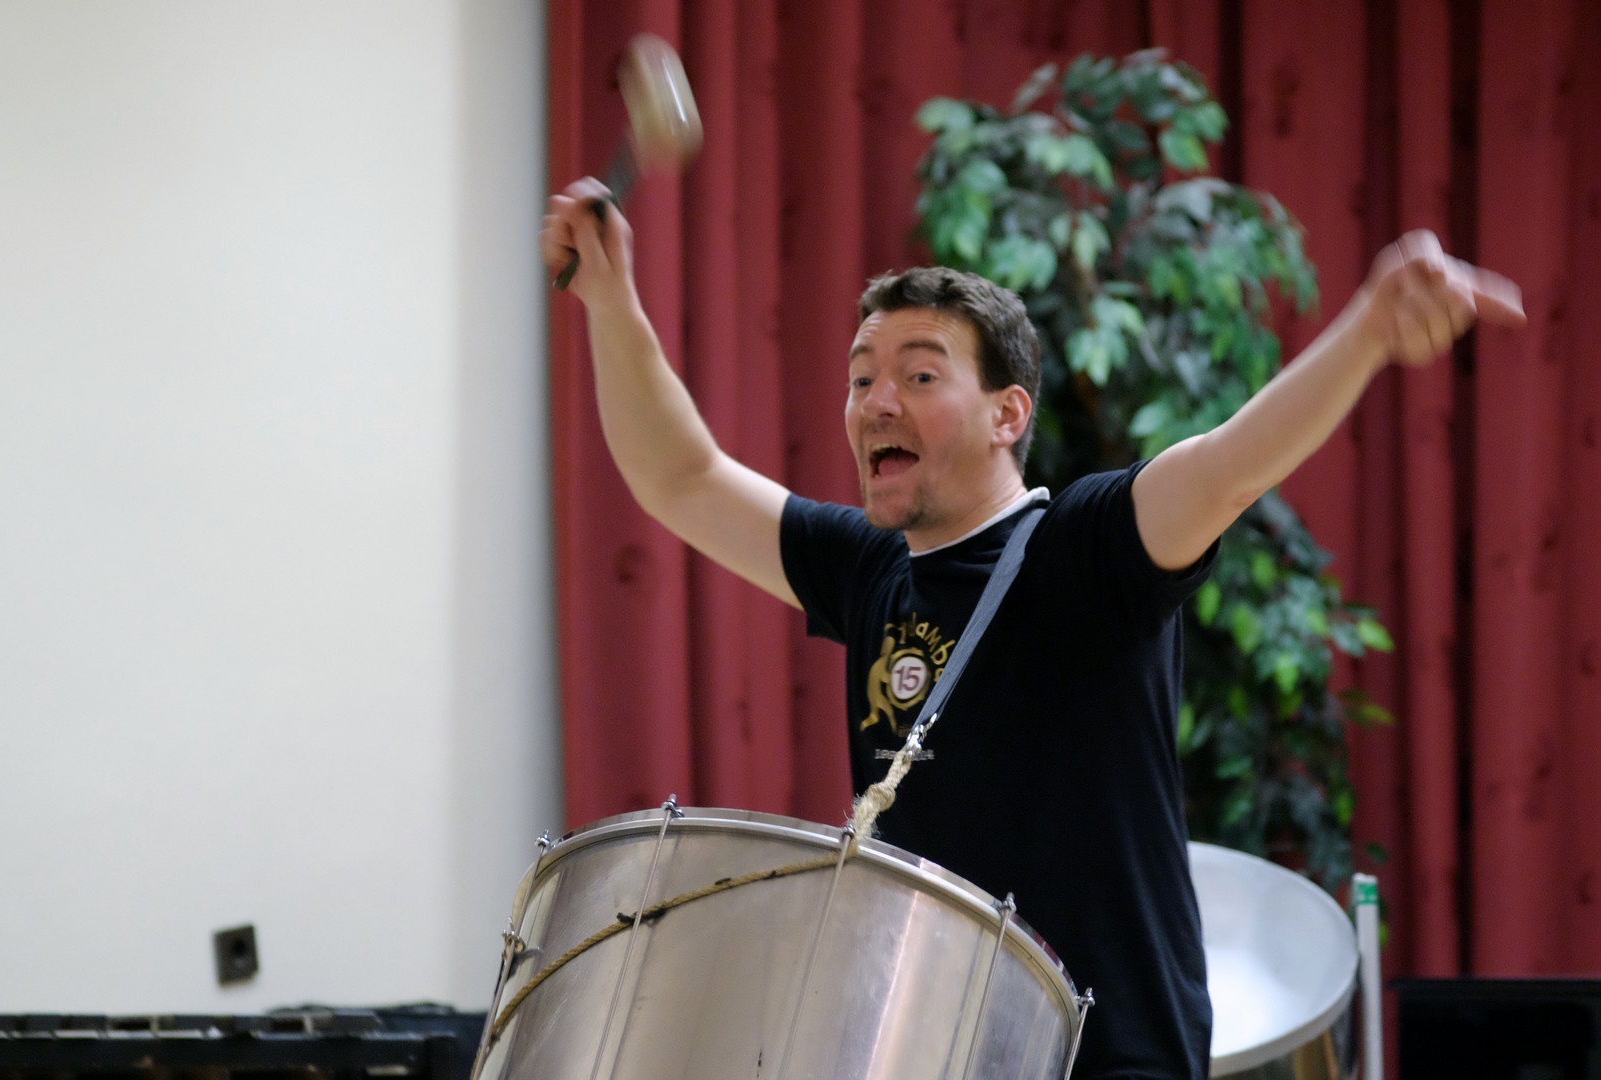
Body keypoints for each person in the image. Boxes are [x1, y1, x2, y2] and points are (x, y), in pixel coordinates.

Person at [539, 175, 1524, 1079]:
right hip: (929, 1055)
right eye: (861, 377)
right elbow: (683, 478)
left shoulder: (1084, 548)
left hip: (1111, 1057)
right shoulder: (868, 568)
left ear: (1008, 414)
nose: (876, 402)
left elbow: (1227, 468)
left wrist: (1366, 332)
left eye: (921, 376)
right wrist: (610, 300)